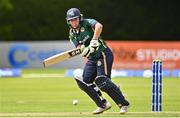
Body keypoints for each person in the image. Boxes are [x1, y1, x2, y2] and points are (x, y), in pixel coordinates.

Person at [66, 8, 130, 114]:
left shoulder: (87, 23)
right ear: (68, 21)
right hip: (92, 59)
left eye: (76, 19)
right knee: (84, 82)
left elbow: (99, 26)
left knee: (102, 81)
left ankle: (124, 104)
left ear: (80, 18)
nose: (74, 22)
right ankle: (102, 104)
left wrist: (94, 39)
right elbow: (79, 47)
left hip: (103, 54)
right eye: (71, 20)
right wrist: (84, 51)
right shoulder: (72, 33)